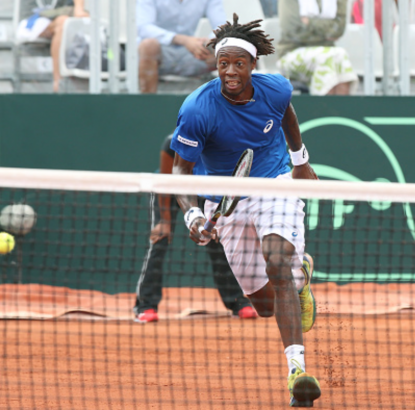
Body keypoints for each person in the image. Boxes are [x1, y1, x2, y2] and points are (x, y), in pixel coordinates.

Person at [171, 14, 321, 407]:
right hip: (223, 198)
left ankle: (296, 370)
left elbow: (285, 112)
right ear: (216, 66)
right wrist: (193, 215)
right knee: (265, 303)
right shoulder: (197, 109)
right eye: (224, 64)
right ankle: (300, 278)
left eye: (239, 63)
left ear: (254, 65)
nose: (231, 72)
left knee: (277, 262)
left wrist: (300, 160)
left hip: (272, 182)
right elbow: (179, 171)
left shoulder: (276, 88)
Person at [134, 134, 258, 323]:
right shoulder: (171, 143)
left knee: (218, 243)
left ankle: (238, 302)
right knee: (159, 240)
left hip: (204, 193)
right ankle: (145, 305)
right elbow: (166, 182)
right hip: (168, 191)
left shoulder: (223, 142)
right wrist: (165, 221)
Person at [136, 0, 226, 93]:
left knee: (225, 49)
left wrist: (208, 43)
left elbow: (221, 27)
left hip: (193, 53)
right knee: (148, 46)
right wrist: (183, 40)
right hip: (160, 51)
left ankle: (225, 103)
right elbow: (143, 27)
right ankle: (147, 103)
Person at [277, 0, 358, 95]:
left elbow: (339, 29)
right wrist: (326, 31)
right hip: (290, 53)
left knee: (340, 55)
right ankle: (324, 108)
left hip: (330, 54)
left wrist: (309, 22)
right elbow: (294, 31)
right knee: (328, 58)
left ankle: (339, 109)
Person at [38, 0, 89, 93]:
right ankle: (58, 84)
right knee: (63, 22)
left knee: (85, 21)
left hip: (63, 18)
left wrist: (79, 9)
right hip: (35, 19)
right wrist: (76, 10)